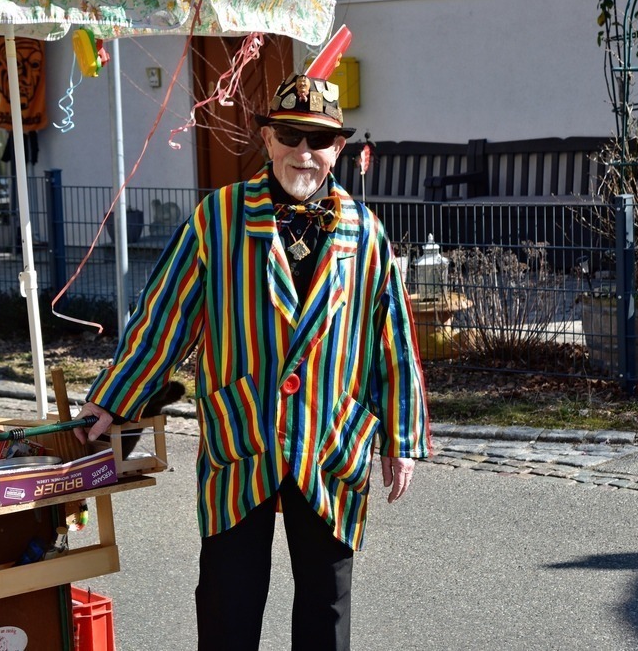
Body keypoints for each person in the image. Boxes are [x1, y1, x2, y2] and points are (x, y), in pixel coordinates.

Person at [76, 72, 431, 650]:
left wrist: (401, 438)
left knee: (326, 607)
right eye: (289, 135)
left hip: (329, 438)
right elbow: (164, 318)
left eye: (319, 139)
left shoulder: (367, 234)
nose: (303, 152)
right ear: (267, 139)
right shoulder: (218, 219)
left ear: (338, 149)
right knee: (228, 602)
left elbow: (392, 340)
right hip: (242, 434)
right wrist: (113, 400)